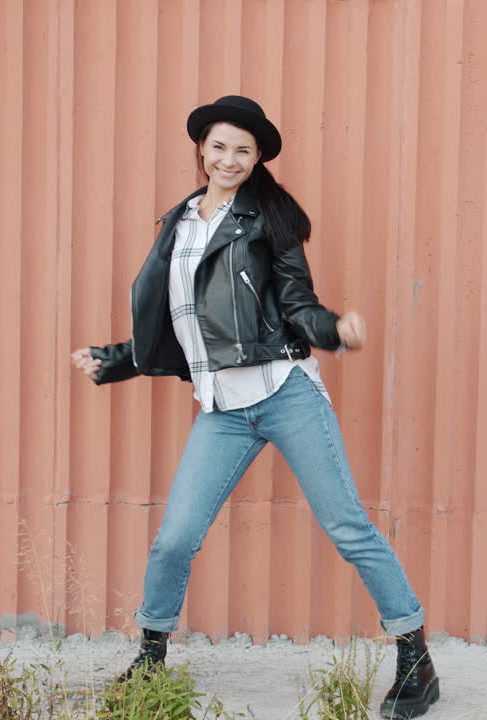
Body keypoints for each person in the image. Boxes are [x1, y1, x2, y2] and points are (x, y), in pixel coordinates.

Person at [70, 95, 440, 719]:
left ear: (258, 156)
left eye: (243, 149)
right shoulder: (181, 224)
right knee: (174, 539)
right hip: (221, 408)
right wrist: (116, 358)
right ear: (201, 150)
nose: (228, 159)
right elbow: (182, 323)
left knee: (348, 528)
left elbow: (297, 302)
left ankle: (414, 657)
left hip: (285, 393)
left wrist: (331, 330)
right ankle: (150, 658)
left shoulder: (268, 221)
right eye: (218, 146)